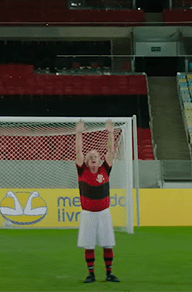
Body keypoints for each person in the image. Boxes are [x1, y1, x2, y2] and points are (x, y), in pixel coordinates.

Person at [75, 120, 120, 283]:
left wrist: (110, 133)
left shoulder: (105, 169)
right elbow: (78, 151)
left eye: (95, 156)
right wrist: (79, 132)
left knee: (108, 244)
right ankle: (91, 274)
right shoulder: (82, 171)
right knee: (89, 245)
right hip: (88, 214)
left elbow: (110, 151)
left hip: (104, 213)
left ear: (99, 159)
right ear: (86, 161)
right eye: (90, 156)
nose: (93, 157)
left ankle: (109, 273)